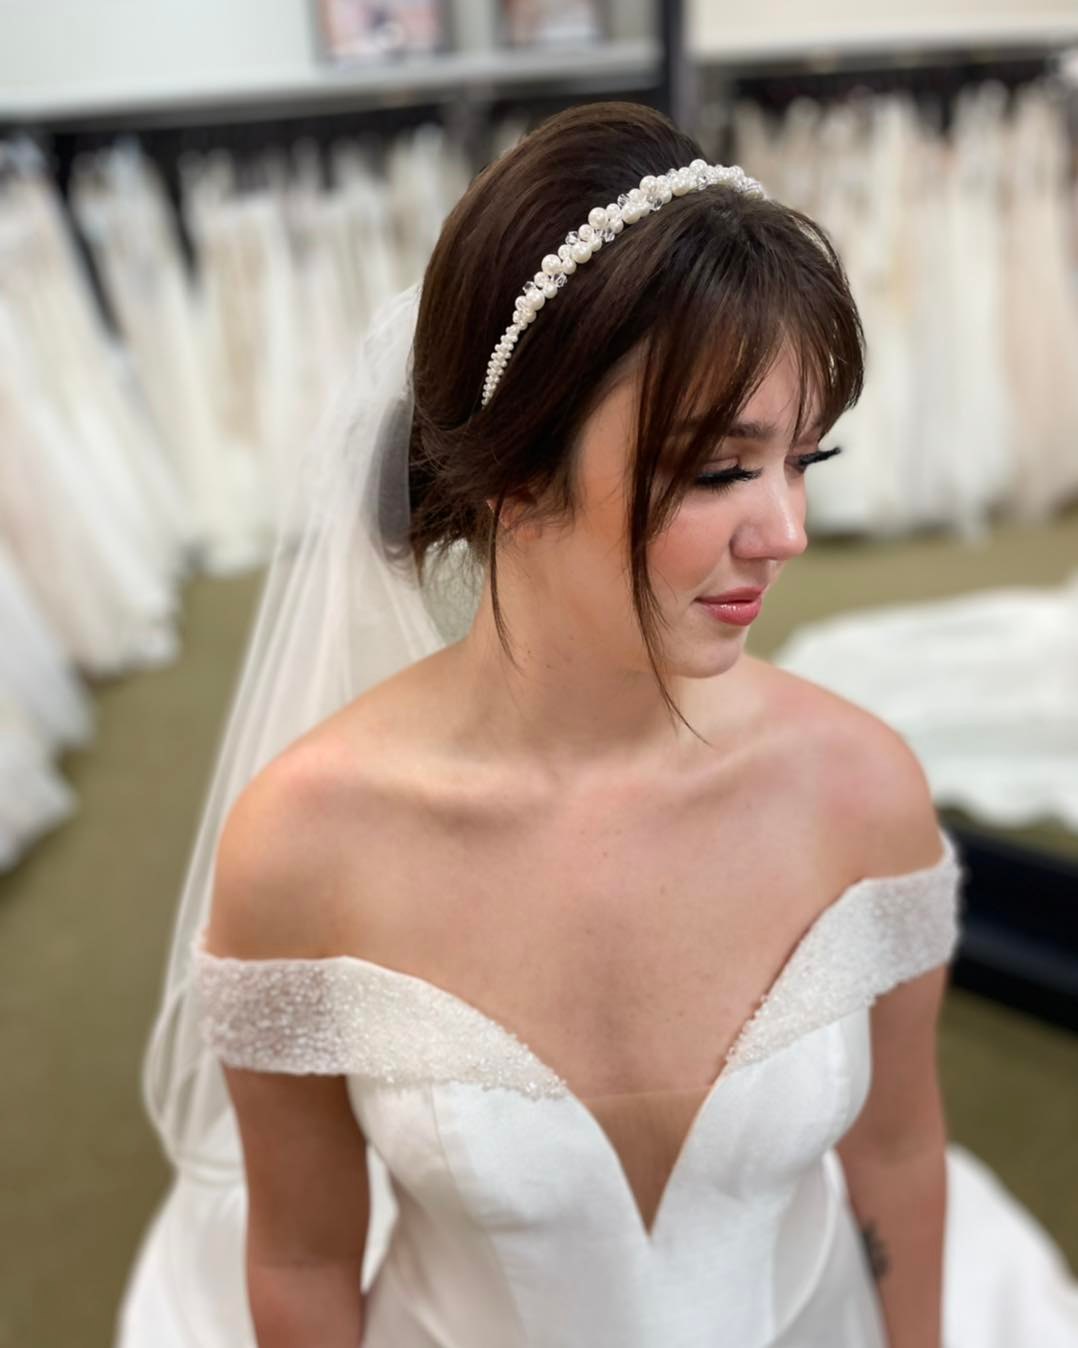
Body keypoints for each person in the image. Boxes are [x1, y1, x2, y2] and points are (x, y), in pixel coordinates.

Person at [115, 100, 1078, 1347]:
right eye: (720, 470)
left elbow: (895, 1153)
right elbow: (301, 1256)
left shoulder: (861, 791)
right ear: (516, 470)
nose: (786, 531)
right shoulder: (304, 849)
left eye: (804, 461)